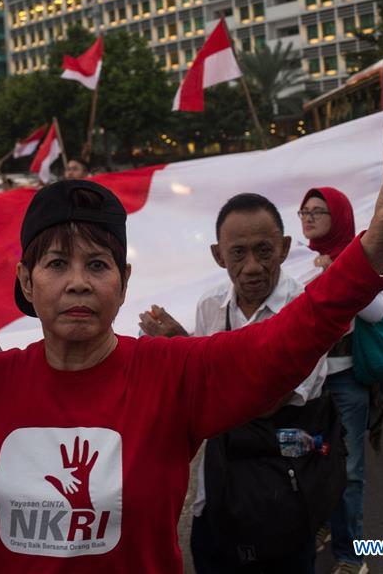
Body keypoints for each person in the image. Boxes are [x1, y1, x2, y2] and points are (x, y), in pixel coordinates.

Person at [0, 117, 383, 573]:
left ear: (123, 283)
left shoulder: (173, 375)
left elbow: (286, 339)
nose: (78, 280)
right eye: (55, 263)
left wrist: (370, 251)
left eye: (98, 264)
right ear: (25, 281)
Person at [139, 193, 336, 573]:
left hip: (284, 487)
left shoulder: (305, 309)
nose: (251, 268)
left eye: (264, 251)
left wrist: (185, 349)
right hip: (220, 489)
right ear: (218, 256)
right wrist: (185, 355)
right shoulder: (211, 305)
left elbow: (267, 402)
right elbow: (198, 394)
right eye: (237, 254)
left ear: (284, 248)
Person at [300, 186, 383, 574]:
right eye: (304, 210)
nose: (309, 216)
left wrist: (340, 270)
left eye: (319, 210)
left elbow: (376, 311)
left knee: (349, 473)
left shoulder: (356, 256)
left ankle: (351, 558)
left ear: (339, 217)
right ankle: (327, 527)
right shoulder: (297, 262)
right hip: (307, 389)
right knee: (311, 465)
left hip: (346, 384)